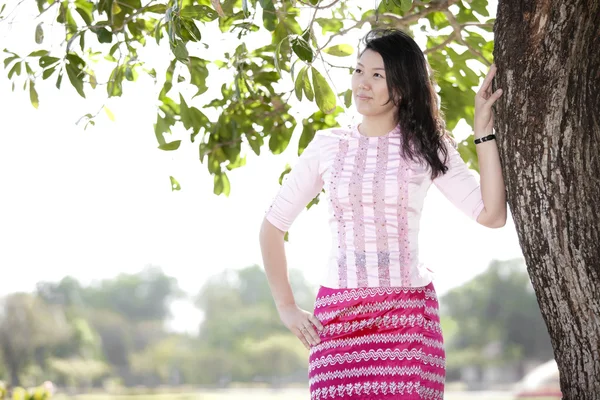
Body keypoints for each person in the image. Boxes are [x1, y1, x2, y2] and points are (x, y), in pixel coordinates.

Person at [259, 28, 506, 400]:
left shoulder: (428, 146)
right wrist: (287, 307)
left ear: (403, 87)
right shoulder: (327, 145)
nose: (363, 83)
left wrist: (483, 132)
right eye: (359, 71)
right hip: (337, 321)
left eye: (378, 75)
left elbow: (492, 214)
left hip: (406, 321)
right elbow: (272, 227)